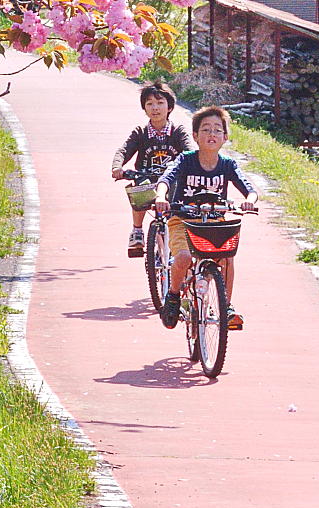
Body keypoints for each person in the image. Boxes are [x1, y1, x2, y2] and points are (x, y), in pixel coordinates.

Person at [152, 105, 260, 331]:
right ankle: (173, 296)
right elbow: (166, 179)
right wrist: (162, 196)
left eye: (217, 130)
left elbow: (249, 188)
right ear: (195, 135)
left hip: (215, 221)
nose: (212, 134)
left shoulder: (227, 164)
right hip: (183, 220)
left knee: (227, 259)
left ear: (225, 137)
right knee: (182, 257)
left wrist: (250, 200)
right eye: (206, 129)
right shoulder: (185, 160)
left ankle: (226, 306)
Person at [110, 81, 193, 256]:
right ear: (144, 108)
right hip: (146, 178)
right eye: (150, 104)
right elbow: (124, 150)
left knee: (180, 204)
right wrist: (118, 166)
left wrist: (192, 163)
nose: (155, 108)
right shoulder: (140, 132)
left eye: (160, 103)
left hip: (172, 181)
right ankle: (137, 231)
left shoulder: (178, 131)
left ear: (170, 107)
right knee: (139, 191)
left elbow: (189, 151)